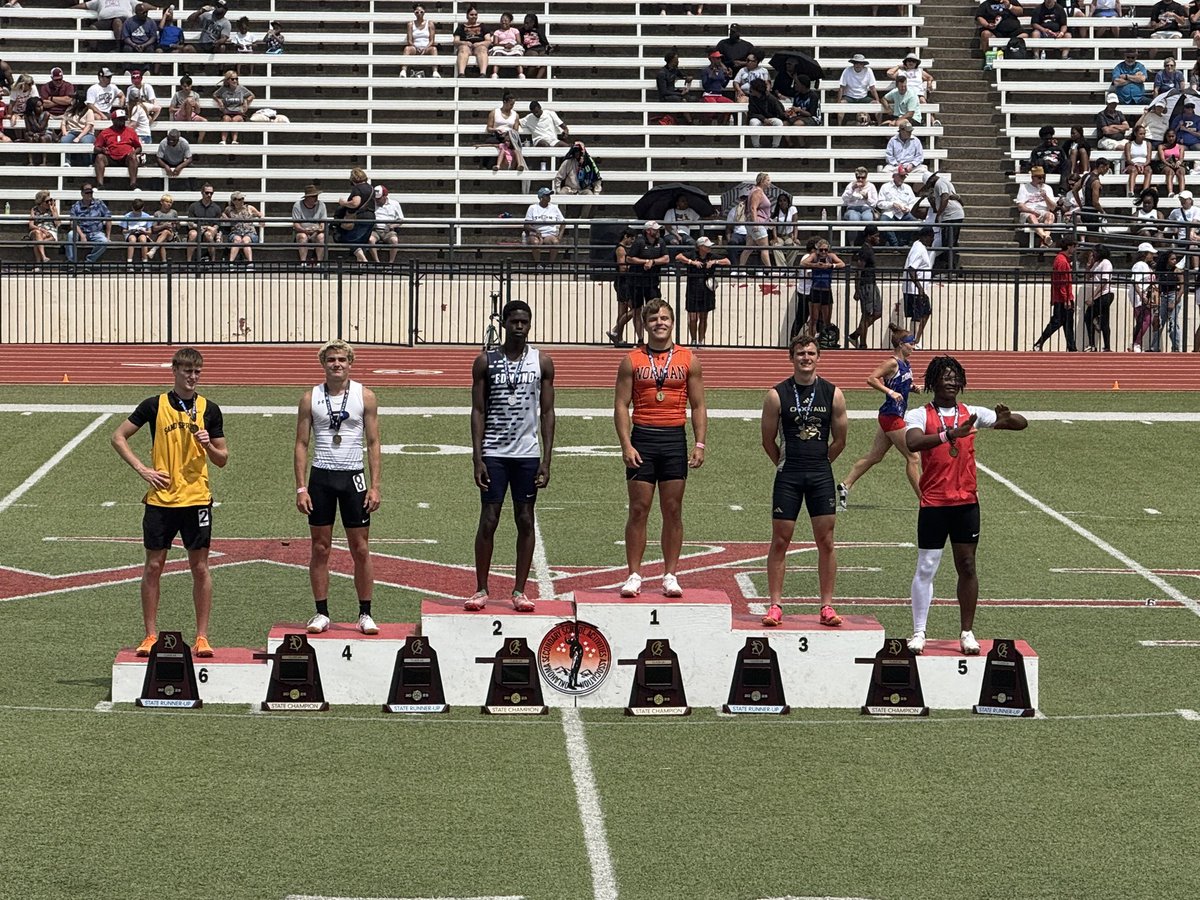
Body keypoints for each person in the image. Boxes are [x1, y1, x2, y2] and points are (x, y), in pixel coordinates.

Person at [904, 356, 1028, 655]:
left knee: (968, 566)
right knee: (927, 567)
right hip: (934, 502)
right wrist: (949, 434)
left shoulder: (971, 412)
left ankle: (966, 632)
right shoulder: (919, 414)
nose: (951, 381)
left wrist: (1009, 418)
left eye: (955, 377)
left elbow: (1021, 425)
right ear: (933, 381)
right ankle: (919, 632)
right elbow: (913, 442)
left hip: (966, 503)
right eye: (945, 376)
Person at [111, 347, 229, 658]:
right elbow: (118, 437)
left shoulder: (209, 409)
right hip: (161, 500)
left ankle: (202, 637)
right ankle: (150, 634)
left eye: (197, 372)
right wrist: (143, 470)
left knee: (200, 568)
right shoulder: (154, 405)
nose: (192, 377)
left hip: (197, 499)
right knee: (153, 566)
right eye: (187, 371)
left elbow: (222, 459)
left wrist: (209, 446)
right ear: (174, 371)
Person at [614, 300, 707, 598]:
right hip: (643, 437)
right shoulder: (632, 360)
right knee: (639, 509)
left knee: (673, 509)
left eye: (665, 317)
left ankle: (670, 574)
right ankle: (634, 574)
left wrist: (699, 443)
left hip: (673, 439)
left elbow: (699, 405)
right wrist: (626, 444)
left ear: (672, 322)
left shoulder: (688, 359)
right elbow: (620, 404)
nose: (659, 322)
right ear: (645, 323)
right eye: (653, 318)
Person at [467, 300, 556, 611]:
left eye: (525, 321)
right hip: (494, 451)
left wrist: (546, 459)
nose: (520, 326)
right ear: (504, 323)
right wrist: (477, 457)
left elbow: (547, 412)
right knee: (489, 519)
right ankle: (481, 588)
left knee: (525, 519)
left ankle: (519, 590)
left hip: (527, 454)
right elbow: (477, 411)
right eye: (514, 321)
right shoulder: (485, 361)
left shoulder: (542, 362)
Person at [759, 333, 848, 628]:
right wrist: (787, 464)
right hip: (789, 475)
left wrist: (820, 464)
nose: (806, 358)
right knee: (781, 541)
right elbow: (768, 440)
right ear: (791, 358)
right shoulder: (777, 394)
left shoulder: (833, 393)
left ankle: (826, 606)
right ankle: (775, 605)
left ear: (818, 357)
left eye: (811, 353)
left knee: (826, 541)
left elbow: (840, 441)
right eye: (800, 354)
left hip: (821, 475)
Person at [294, 340, 382, 635]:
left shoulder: (365, 396)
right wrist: (301, 488)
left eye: (342, 359)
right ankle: (321, 612)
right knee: (320, 548)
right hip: (322, 478)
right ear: (323, 364)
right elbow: (302, 443)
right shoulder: (310, 398)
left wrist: (375, 486)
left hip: (353, 477)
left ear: (350, 363)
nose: (336, 364)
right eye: (331, 359)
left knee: (361, 548)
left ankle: (365, 613)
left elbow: (373, 443)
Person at [838, 325, 921, 508]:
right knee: (913, 457)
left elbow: (901, 383)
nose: (914, 347)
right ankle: (925, 501)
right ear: (901, 344)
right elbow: (871, 378)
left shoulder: (906, 363)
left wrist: (912, 388)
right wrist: (890, 392)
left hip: (891, 415)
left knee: (875, 456)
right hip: (891, 416)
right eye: (911, 344)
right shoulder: (892, 362)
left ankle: (845, 485)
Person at [674, 235, 729, 346]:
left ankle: (701, 341)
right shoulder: (692, 254)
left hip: (707, 290)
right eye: (706, 246)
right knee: (693, 317)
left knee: (704, 317)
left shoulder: (711, 256)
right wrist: (691, 262)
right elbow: (678, 257)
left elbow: (727, 261)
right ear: (700, 247)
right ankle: (693, 340)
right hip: (693, 289)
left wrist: (715, 262)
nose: (709, 248)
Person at [1033, 237, 1078, 351]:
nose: (1075, 249)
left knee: (1066, 323)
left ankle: (1071, 347)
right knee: (1058, 322)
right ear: (1069, 247)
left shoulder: (1061, 259)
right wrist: (1066, 299)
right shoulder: (1062, 261)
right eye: (1073, 246)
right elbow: (1062, 282)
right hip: (1062, 298)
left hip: (1062, 297)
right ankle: (1039, 343)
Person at [921, 172, 964, 276]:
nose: (930, 187)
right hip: (953, 215)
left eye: (929, 184)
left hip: (951, 216)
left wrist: (938, 215)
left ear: (931, 180)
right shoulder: (944, 182)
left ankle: (950, 270)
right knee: (949, 243)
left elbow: (945, 197)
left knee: (948, 243)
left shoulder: (939, 183)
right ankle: (951, 268)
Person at [847, 225, 883, 350]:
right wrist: (857, 289)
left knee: (877, 313)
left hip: (872, 283)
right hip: (866, 285)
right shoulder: (865, 250)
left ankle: (856, 334)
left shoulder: (869, 249)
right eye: (876, 236)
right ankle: (862, 344)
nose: (878, 238)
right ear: (869, 236)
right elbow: (858, 270)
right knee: (866, 314)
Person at [800, 239, 846, 335]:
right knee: (813, 319)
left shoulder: (831, 256)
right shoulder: (814, 256)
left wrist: (831, 265)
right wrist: (816, 265)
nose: (823, 252)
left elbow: (842, 264)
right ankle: (812, 340)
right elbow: (803, 263)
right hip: (815, 290)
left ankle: (826, 340)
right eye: (821, 250)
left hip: (826, 290)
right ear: (817, 250)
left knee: (827, 320)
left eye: (825, 250)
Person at [628, 220, 670, 315]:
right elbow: (630, 258)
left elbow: (666, 258)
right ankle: (637, 330)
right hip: (637, 282)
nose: (658, 231)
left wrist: (653, 262)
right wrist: (645, 262)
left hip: (652, 282)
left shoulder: (661, 241)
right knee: (636, 310)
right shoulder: (639, 242)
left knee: (653, 308)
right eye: (655, 230)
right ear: (648, 231)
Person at [333, 167, 375, 262]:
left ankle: (362, 258)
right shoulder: (371, 188)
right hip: (371, 217)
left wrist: (343, 203)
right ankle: (360, 265)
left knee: (347, 238)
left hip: (360, 217)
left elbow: (355, 203)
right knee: (362, 241)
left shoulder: (357, 189)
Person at [606, 228, 639, 346]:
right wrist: (635, 265)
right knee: (635, 309)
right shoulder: (621, 249)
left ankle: (618, 338)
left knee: (623, 311)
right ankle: (615, 330)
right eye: (632, 238)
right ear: (626, 236)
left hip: (625, 282)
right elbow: (622, 268)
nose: (632, 241)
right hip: (623, 282)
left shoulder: (626, 249)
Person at [903, 226, 935, 348]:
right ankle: (912, 340)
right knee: (918, 315)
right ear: (926, 237)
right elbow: (911, 269)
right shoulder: (919, 249)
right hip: (915, 290)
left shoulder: (919, 247)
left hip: (917, 289)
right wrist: (920, 287)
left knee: (925, 312)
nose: (932, 240)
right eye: (931, 238)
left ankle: (915, 339)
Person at [66, 182, 111, 263]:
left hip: (96, 232)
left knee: (104, 241)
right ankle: (71, 261)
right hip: (81, 231)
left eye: (91, 192)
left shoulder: (99, 204)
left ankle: (89, 261)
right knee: (70, 235)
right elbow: (73, 222)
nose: (89, 194)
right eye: (87, 192)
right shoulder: (76, 206)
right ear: (82, 193)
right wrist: (82, 235)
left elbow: (108, 218)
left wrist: (108, 236)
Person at [1082, 244, 1114, 351]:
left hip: (1104, 294)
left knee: (1088, 316)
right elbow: (1087, 277)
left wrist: (1092, 296)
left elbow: (1104, 281)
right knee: (1104, 320)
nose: (1092, 254)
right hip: (1099, 295)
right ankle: (1106, 346)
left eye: (1094, 252)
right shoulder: (1096, 264)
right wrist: (1088, 264)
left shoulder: (1106, 263)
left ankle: (1093, 345)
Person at [1017, 166, 1058, 246]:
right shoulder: (1024, 188)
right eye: (1039, 178)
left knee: (1050, 215)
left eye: (1043, 177)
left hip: (1043, 212)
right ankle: (1045, 236)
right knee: (1032, 216)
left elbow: (1053, 208)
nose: (1041, 180)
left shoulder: (1048, 188)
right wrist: (1032, 211)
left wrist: (1045, 197)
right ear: (1033, 177)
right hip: (1029, 211)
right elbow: (1020, 206)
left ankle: (1044, 240)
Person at [876, 169, 919, 246]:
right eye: (901, 176)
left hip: (903, 213)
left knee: (915, 223)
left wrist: (908, 208)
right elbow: (880, 203)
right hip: (889, 212)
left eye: (904, 176)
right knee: (883, 221)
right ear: (894, 176)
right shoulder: (885, 187)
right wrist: (892, 204)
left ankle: (903, 243)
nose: (903, 178)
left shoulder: (907, 188)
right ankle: (895, 244)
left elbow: (913, 202)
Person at [739, 171, 773, 267]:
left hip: (756, 222)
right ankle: (769, 270)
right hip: (757, 223)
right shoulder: (757, 192)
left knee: (748, 248)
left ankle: (740, 270)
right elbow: (753, 208)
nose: (770, 182)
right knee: (764, 248)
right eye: (768, 180)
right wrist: (755, 224)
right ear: (762, 181)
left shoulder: (758, 191)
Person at [523, 186, 564, 265]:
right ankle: (538, 264)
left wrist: (560, 236)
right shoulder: (532, 208)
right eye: (547, 195)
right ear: (541, 197)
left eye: (549, 195)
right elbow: (526, 225)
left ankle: (550, 265)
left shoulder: (554, 208)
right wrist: (535, 231)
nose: (549, 197)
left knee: (555, 242)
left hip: (549, 234)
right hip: (535, 234)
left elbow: (563, 223)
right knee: (535, 242)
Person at [838, 53, 881, 126]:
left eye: (860, 63)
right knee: (841, 105)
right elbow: (842, 87)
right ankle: (839, 127)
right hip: (849, 97)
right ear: (853, 64)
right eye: (856, 63)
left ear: (863, 64)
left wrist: (877, 100)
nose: (858, 65)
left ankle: (880, 126)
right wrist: (838, 101)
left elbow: (872, 88)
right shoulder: (847, 70)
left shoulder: (868, 71)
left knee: (877, 106)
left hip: (863, 97)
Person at [486, 92, 525, 172]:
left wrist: (508, 135)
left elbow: (515, 130)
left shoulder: (515, 115)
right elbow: (489, 128)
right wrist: (496, 129)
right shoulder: (494, 112)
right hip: (497, 135)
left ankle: (518, 164)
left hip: (509, 137)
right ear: (504, 102)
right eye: (510, 104)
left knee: (514, 146)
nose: (512, 106)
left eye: (513, 104)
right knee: (489, 142)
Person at [212, 70, 254, 145]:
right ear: (228, 80)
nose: (235, 81)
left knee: (235, 119)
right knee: (226, 119)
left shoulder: (241, 88)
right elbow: (214, 95)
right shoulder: (223, 89)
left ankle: (234, 140)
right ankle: (223, 140)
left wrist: (246, 101)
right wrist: (219, 101)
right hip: (227, 111)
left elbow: (252, 95)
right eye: (232, 79)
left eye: (236, 79)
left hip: (239, 113)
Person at [1128, 241, 1156, 352]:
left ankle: (1136, 343)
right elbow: (1135, 281)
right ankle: (1136, 343)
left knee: (1143, 320)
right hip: (1139, 295)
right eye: (1150, 253)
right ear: (1145, 253)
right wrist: (1142, 295)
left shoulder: (1145, 265)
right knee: (1145, 319)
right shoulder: (1140, 265)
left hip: (1143, 294)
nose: (1152, 255)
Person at [222, 190, 262, 266]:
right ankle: (231, 263)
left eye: (242, 199)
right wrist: (226, 218)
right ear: (234, 201)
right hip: (235, 232)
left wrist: (261, 220)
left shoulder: (249, 208)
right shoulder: (229, 209)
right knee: (237, 240)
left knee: (245, 240)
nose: (242, 201)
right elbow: (223, 214)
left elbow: (259, 214)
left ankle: (250, 263)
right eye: (239, 199)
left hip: (250, 232)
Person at [186, 183, 224, 262]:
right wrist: (199, 227)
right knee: (193, 234)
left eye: (211, 193)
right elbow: (190, 223)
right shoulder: (194, 206)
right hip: (196, 228)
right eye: (207, 193)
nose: (209, 195)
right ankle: (188, 261)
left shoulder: (216, 208)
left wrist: (210, 228)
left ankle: (213, 261)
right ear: (202, 193)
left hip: (210, 230)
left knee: (208, 234)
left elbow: (217, 224)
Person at [368, 184, 405, 264]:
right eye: (375, 198)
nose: (377, 201)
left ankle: (391, 263)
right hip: (375, 230)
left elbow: (401, 219)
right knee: (370, 240)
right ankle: (377, 262)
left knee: (394, 240)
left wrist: (392, 225)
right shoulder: (371, 204)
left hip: (389, 230)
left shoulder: (395, 204)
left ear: (385, 196)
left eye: (379, 199)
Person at [59, 90, 97, 166]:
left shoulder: (89, 111)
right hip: (71, 132)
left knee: (85, 142)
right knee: (64, 140)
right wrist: (64, 132)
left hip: (86, 133)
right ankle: (66, 162)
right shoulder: (69, 110)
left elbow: (89, 126)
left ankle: (88, 162)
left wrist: (79, 137)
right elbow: (63, 123)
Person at [400, 4, 439, 78]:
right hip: (415, 47)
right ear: (414, 13)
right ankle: (403, 71)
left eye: (421, 12)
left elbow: (432, 40)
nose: (419, 14)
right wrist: (415, 47)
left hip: (427, 47)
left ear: (424, 12)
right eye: (417, 12)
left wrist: (425, 48)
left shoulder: (430, 24)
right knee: (407, 49)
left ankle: (435, 71)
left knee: (434, 49)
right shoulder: (410, 24)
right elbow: (410, 40)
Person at [292, 183, 327, 265]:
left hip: (316, 231)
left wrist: (320, 229)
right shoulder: (297, 205)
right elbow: (296, 224)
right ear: (307, 197)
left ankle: (319, 262)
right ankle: (303, 262)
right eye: (313, 196)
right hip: (303, 230)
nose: (316, 198)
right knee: (302, 237)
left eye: (316, 196)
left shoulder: (321, 205)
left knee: (322, 237)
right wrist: (304, 230)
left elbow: (323, 222)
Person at [747, 78, 786, 148]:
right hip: (759, 118)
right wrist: (763, 119)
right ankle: (756, 146)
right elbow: (751, 113)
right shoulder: (752, 98)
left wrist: (770, 120)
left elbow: (780, 111)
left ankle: (775, 146)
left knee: (779, 123)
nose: (750, 89)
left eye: (752, 88)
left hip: (772, 118)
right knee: (753, 122)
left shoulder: (771, 98)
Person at [453, 5, 490, 77]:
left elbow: (488, 41)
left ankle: (483, 73)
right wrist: (464, 42)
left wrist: (479, 44)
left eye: (476, 15)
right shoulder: (461, 27)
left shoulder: (482, 26)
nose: (474, 16)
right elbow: (455, 41)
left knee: (482, 49)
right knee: (463, 49)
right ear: (467, 16)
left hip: (479, 47)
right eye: (471, 14)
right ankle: (461, 73)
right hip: (466, 47)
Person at [27, 190, 59, 266]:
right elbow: (31, 225)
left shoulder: (53, 209)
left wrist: (53, 211)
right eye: (47, 201)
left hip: (50, 232)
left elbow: (57, 224)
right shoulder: (34, 210)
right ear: (41, 203)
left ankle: (38, 265)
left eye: (51, 200)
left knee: (37, 241)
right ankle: (44, 257)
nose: (49, 203)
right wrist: (41, 229)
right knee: (38, 234)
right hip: (37, 230)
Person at [488, 12, 524, 78]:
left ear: (510, 22)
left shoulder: (515, 30)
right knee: (497, 53)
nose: (503, 22)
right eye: (502, 20)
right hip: (501, 48)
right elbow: (495, 43)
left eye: (506, 20)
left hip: (513, 47)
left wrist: (512, 45)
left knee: (518, 53)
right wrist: (504, 45)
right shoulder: (497, 32)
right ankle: (495, 73)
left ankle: (521, 73)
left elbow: (519, 42)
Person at [1124, 124, 1153, 196]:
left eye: (1144, 134)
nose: (1142, 136)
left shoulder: (1148, 144)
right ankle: (1131, 191)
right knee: (1133, 170)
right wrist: (1135, 164)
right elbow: (1128, 159)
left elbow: (1149, 159)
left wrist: (1143, 165)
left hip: (1144, 164)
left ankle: (1145, 191)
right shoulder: (1129, 144)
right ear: (1135, 134)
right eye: (1140, 134)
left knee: (1149, 170)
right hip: (1132, 164)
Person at [122, 196, 153, 261]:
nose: (136, 212)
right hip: (131, 233)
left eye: (139, 211)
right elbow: (124, 231)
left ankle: (145, 261)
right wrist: (130, 230)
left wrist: (144, 232)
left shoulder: (146, 216)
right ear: (132, 208)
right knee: (132, 240)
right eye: (135, 210)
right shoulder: (127, 216)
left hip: (143, 233)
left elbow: (150, 232)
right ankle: (129, 261)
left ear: (142, 208)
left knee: (143, 239)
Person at [149, 193, 178, 261]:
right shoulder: (157, 213)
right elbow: (154, 228)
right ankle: (164, 263)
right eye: (167, 202)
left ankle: (153, 249)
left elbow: (178, 226)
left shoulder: (174, 212)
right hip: (160, 235)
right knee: (162, 241)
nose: (169, 204)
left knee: (166, 232)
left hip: (172, 235)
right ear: (161, 202)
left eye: (170, 202)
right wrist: (164, 225)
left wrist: (175, 224)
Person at [520, 14, 550, 80]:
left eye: (527, 23)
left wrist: (548, 50)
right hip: (529, 49)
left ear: (533, 23)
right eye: (524, 23)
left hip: (540, 48)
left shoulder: (539, 31)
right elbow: (520, 42)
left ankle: (537, 79)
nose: (525, 25)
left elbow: (545, 43)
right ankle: (529, 77)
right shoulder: (522, 31)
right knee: (534, 55)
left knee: (545, 58)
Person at [1159, 128, 1187, 196]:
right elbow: (1162, 159)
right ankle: (1170, 192)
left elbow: (1181, 158)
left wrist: (1178, 163)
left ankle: (1182, 192)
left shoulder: (1180, 147)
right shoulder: (1161, 146)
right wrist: (1169, 164)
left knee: (1181, 171)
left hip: (1177, 163)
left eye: (1172, 136)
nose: (1171, 138)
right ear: (1166, 137)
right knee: (1170, 171)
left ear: (1175, 136)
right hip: (1166, 164)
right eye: (1169, 136)